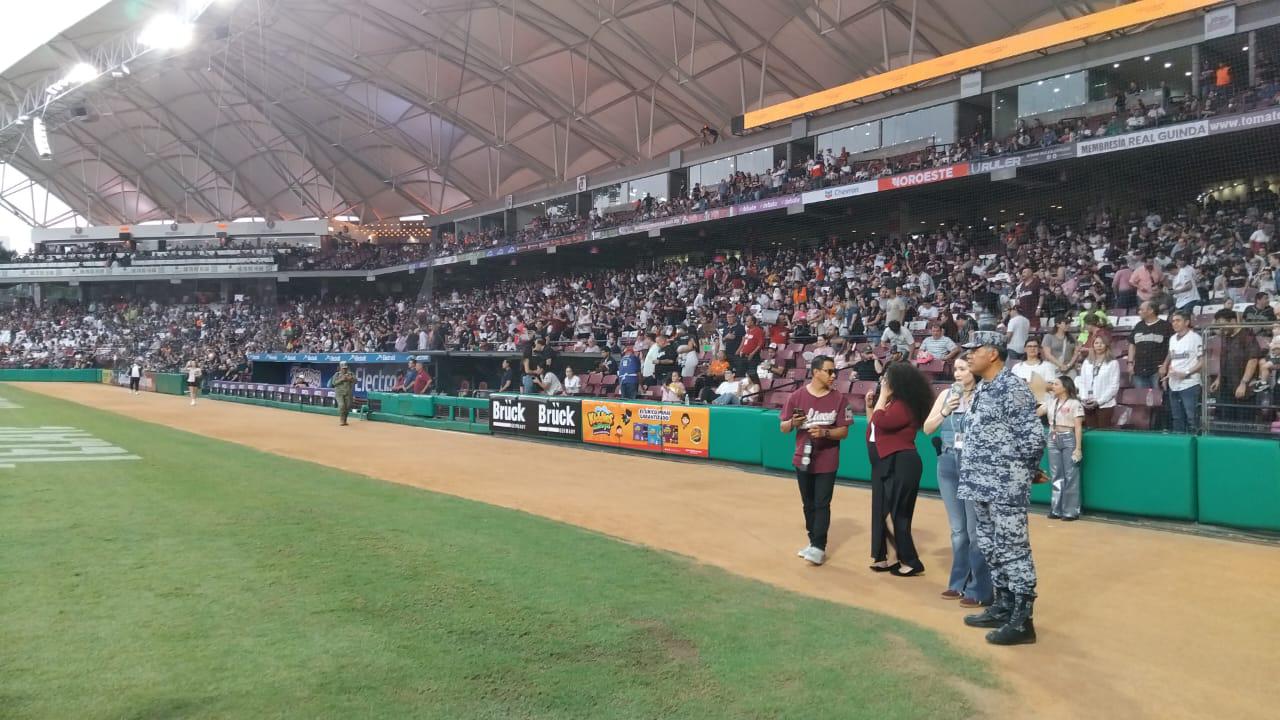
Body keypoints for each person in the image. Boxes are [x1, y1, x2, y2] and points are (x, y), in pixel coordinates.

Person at [957, 335, 1045, 646]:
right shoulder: (983, 387)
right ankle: (1003, 605)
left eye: (974, 351)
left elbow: (1033, 437)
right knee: (991, 546)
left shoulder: (1012, 387)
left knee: (1013, 549)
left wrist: (1027, 471)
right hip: (980, 483)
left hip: (1005, 485)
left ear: (993, 354)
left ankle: (1023, 620)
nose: (969, 356)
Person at [922, 356, 992, 607]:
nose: (957, 374)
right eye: (956, 369)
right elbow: (927, 429)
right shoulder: (946, 396)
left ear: (974, 371)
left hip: (974, 466)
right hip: (948, 463)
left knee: (975, 532)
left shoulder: (985, 396)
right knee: (958, 531)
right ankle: (958, 583)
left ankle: (980, 587)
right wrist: (944, 411)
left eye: (963, 369)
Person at [780, 356, 850, 566]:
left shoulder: (839, 398)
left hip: (827, 459)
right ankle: (812, 542)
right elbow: (783, 427)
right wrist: (793, 422)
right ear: (816, 372)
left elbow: (844, 431)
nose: (833, 375)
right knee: (808, 503)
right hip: (803, 457)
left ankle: (819, 546)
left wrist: (825, 433)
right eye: (829, 371)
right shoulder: (797, 396)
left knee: (822, 503)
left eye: (833, 371)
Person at [865, 362, 933, 577]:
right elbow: (873, 427)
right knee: (883, 512)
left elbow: (881, 421)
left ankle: (911, 561)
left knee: (898, 514)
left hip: (902, 462)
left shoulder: (904, 405)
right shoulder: (894, 402)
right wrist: (871, 405)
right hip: (887, 462)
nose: (883, 382)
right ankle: (889, 557)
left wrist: (882, 397)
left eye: (887, 379)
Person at [1038, 377, 1084, 521]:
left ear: (1065, 387)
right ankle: (1056, 509)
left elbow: (1078, 427)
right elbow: (1037, 413)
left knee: (1071, 474)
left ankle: (1070, 511)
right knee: (1056, 473)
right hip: (1053, 436)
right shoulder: (1051, 402)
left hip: (1068, 436)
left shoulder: (1075, 403)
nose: (1053, 386)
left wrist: (1078, 448)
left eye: (1056, 384)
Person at [1162, 310, 1204, 433]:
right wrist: (1167, 373)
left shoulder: (1195, 338)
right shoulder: (1172, 339)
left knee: (1192, 418)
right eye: (1173, 321)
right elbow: (1172, 358)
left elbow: (1202, 362)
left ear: (1187, 322)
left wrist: (1185, 372)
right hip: (1173, 384)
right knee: (1177, 418)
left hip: (1190, 384)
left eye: (1178, 320)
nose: (1175, 323)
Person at [1128, 301, 1173, 389]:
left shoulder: (1165, 326)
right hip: (1139, 370)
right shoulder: (1138, 326)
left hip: (1157, 370)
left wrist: (1164, 366)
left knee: (1158, 399)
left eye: (1141, 310)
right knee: (1141, 400)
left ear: (1150, 310)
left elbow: (1172, 348)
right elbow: (1132, 345)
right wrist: (1130, 363)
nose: (1139, 312)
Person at [1077, 337, 1120, 429]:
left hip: (1105, 405)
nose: (1099, 346)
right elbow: (1082, 382)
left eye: (1102, 343)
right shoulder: (1087, 362)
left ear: (1106, 345)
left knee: (1103, 433)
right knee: (1091, 432)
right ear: (1093, 345)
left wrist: (1099, 401)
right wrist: (1084, 398)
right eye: (1096, 343)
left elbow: (1114, 386)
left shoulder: (1113, 363)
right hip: (1087, 404)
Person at [330, 360, 356, 426]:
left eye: (346, 368)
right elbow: (333, 383)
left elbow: (356, 381)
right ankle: (342, 420)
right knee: (342, 406)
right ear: (340, 368)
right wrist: (342, 379)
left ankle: (345, 420)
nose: (345, 369)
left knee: (348, 407)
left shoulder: (351, 374)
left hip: (348, 393)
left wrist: (350, 379)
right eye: (343, 368)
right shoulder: (337, 374)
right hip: (339, 393)